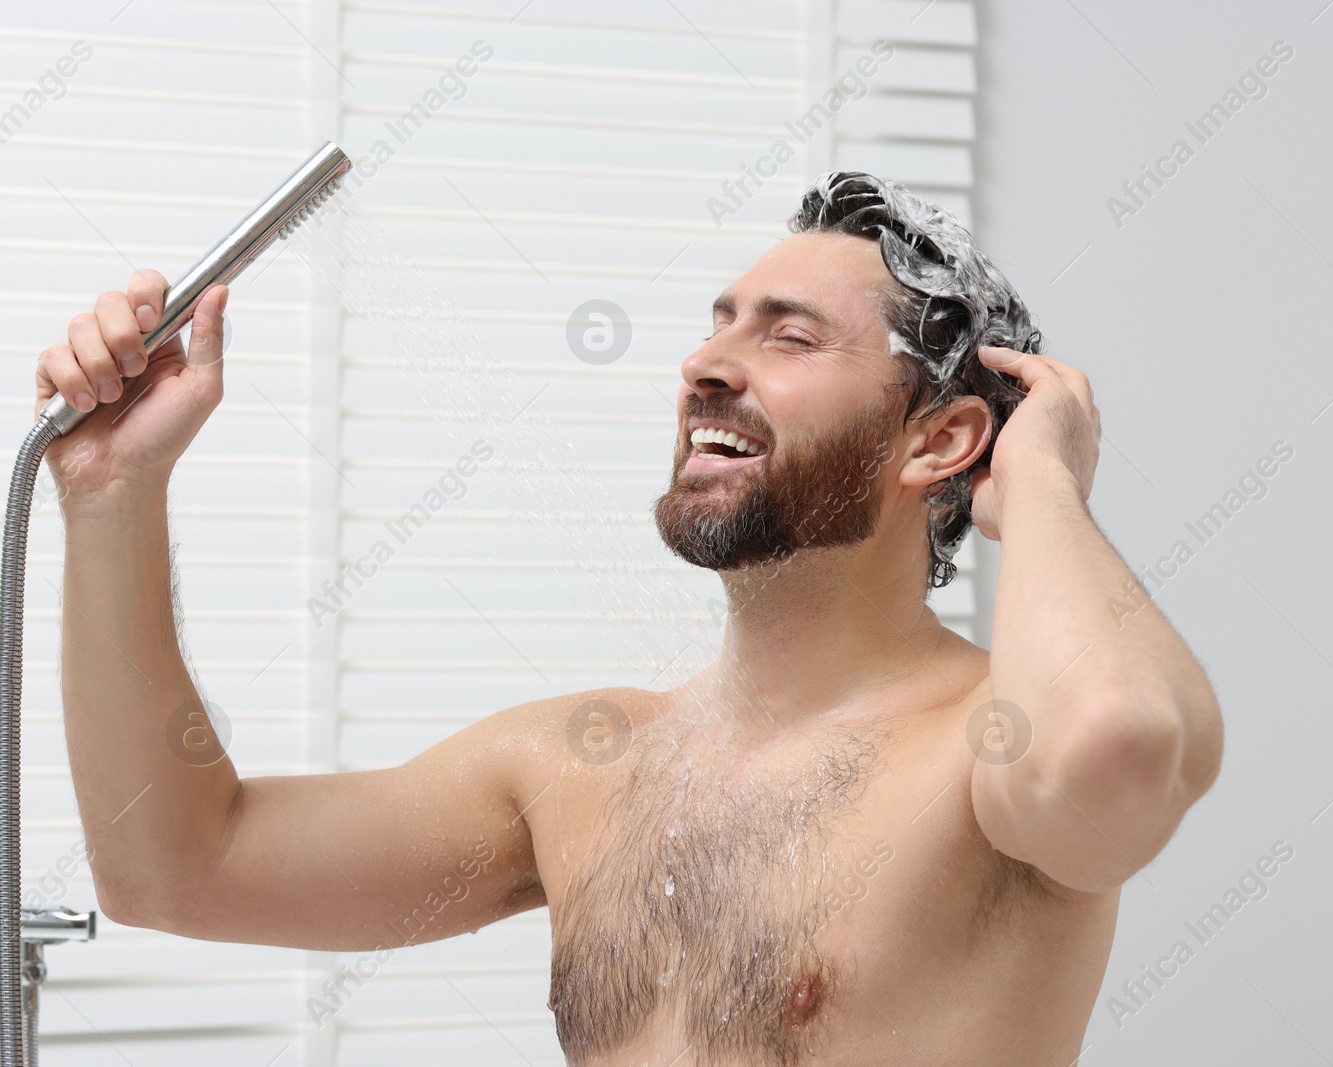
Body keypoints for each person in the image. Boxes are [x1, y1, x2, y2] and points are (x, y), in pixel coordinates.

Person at [35, 171, 1222, 1065]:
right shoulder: (579, 764)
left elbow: (1116, 740)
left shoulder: (991, 750)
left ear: (943, 440)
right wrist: (111, 496)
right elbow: (174, 865)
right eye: (719, 321)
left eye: (789, 333)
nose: (707, 362)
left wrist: (1046, 480)